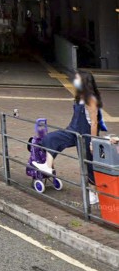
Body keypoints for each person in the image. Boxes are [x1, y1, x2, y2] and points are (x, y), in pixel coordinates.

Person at [31, 70, 106, 205]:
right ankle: (48, 166)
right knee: (51, 138)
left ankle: (93, 193)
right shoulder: (79, 97)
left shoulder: (91, 99)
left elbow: (94, 123)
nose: (74, 82)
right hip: (72, 131)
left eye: (77, 79)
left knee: (87, 164)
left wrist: (92, 141)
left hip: (86, 135)